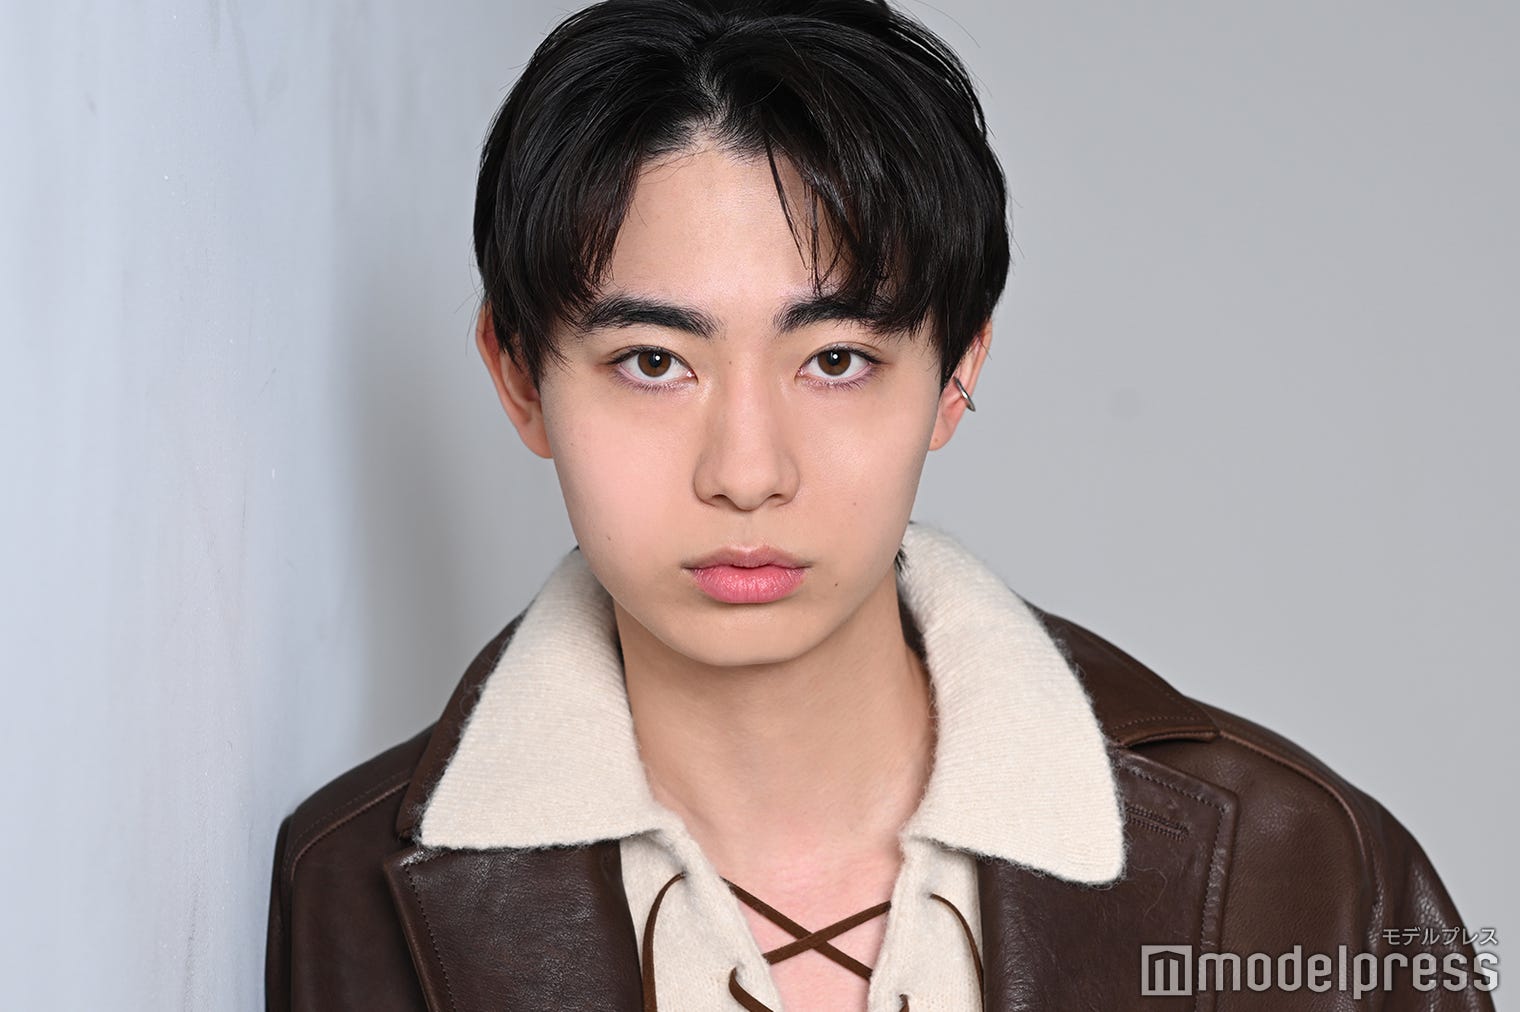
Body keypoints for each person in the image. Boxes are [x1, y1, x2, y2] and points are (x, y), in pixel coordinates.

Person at [264, 1, 1496, 1009]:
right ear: (518, 377)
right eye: (652, 361)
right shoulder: (348, 882)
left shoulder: (1297, 863)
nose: (746, 471)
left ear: (955, 372)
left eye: (836, 359)